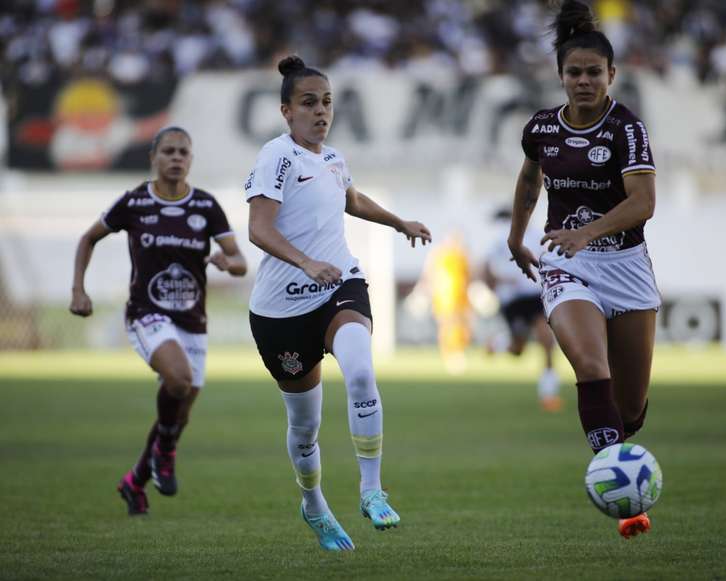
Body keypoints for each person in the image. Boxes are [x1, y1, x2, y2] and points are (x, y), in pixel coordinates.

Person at [245, 55, 431, 552]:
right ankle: (314, 505)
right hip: (280, 312)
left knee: (361, 371)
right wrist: (305, 263)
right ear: (286, 111)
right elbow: (258, 228)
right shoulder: (276, 156)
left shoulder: (332, 157)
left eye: (326, 102)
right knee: (304, 429)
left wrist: (399, 223)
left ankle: (372, 490)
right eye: (309, 103)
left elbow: (351, 199)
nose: (321, 112)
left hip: (338, 286)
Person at [507, 0, 660, 539]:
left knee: (630, 407)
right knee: (591, 369)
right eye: (575, 72)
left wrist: (586, 230)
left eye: (594, 72)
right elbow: (530, 180)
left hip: (626, 268)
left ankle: (623, 452)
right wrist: (516, 234)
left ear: (611, 75)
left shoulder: (627, 128)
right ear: (561, 76)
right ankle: (626, 500)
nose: (584, 80)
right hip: (565, 266)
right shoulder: (542, 127)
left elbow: (643, 203)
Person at [69, 126, 247, 516]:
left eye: (184, 152)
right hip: (146, 314)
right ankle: (165, 452)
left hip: (193, 320)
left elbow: (240, 262)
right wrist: (78, 290)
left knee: (179, 411)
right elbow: (88, 238)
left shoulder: (205, 206)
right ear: (154, 156)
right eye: (169, 151)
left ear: (191, 160)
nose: (176, 158)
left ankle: (134, 481)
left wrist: (226, 261)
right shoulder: (134, 203)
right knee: (178, 380)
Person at [483, 210, 561, 411]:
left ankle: (548, 393)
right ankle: (500, 343)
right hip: (513, 300)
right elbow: (485, 268)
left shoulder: (538, 235)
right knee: (518, 350)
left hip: (535, 296)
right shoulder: (502, 237)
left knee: (547, 340)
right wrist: (498, 282)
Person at [424, 231, 472, 374]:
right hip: (444, 297)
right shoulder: (439, 254)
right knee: (446, 325)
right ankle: (448, 354)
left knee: (461, 325)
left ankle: (458, 351)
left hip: (460, 296)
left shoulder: (462, 255)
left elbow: (469, 274)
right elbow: (430, 272)